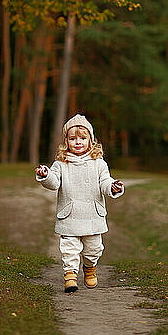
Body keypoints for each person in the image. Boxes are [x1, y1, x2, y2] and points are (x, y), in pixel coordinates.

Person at [35, 114, 124, 293]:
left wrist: (112, 187)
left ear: (90, 140)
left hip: (92, 215)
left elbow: (105, 182)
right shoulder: (61, 163)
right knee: (69, 249)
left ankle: (90, 269)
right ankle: (70, 276)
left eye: (82, 138)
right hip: (70, 215)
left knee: (93, 248)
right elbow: (54, 183)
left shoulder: (99, 163)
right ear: (66, 141)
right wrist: (46, 175)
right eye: (73, 138)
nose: (78, 142)